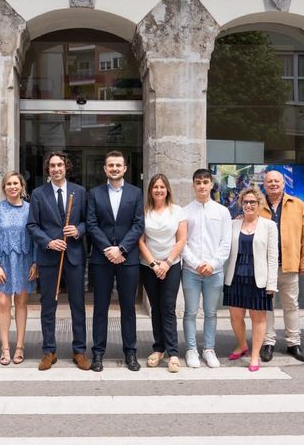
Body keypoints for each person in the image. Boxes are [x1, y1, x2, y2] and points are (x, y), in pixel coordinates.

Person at [27, 152, 89, 371]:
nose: (56, 169)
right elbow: (32, 225)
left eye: (59, 165)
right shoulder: (38, 194)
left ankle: (79, 351)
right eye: (52, 165)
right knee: (48, 305)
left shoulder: (79, 192)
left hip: (74, 256)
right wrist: (48, 242)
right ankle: (48, 351)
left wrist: (78, 230)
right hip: (49, 257)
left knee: (77, 305)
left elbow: (87, 221)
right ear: (48, 169)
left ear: (66, 167)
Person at [87, 151, 145, 372]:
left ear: (125, 168)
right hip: (102, 260)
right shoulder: (94, 193)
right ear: (104, 168)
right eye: (110, 165)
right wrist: (107, 249)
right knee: (100, 308)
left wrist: (121, 248)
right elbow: (91, 225)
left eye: (118, 165)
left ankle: (130, 353)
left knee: (128, 307)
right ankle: (98, 354)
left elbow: (139, 224)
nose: (114, 168)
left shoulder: (136, 193)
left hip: (127, 258)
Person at [0, 171, 38, 365]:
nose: (12, 187)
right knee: (3, 303)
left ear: (21, 186)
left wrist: (35, 263)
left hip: (24, 262)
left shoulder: (30, 209)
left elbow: (35, 239)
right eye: (9, 184)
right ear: (4, 187)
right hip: (3, 263)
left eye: (16, 183)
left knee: (22, 303)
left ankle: (20, 346)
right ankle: (5, 347)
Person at [258, 170, 304, 362]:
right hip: (264, 268)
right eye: (269, 181)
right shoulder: (257, 206)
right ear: (264, 184)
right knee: (266, 307)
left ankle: (293, 343)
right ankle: (268, 342)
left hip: (289, 266)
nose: (273, 184)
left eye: (276, 181)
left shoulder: (297, 205)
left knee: (291, 305)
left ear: (283, 184)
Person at [224, 187, 279, 372]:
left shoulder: (269, 226)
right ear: (241, 203)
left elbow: (273, 256)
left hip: (259, 278)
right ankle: (242, 346)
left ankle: (255, 355)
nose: (248, 205)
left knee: (258, 318)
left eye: (252, 202)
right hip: (236, 275)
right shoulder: (233, 224)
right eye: (245, 202)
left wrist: (272, 283)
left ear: (259, 204)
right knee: (235, 317)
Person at [181, 168, 231, 368]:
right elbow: (182, 242)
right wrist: (195, 263)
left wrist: (212, 264)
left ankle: (209, 349)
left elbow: (225, 243)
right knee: (190, 312)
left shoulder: (222, 211)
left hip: (214, 271)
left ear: (211, 184)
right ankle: (191, 349)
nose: (202, 186)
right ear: (193, 185)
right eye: (198, 182)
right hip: (191, 271)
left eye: (205, 182)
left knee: (211, 312)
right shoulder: (184, 212)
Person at [139, 174, 187, 373]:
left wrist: (166, 263)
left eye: (162, 187)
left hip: (171, 265)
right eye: (155, 187)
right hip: (149, 266)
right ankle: (158, 349)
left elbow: (181, 240)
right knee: (155, 307)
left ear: (167, 189)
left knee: (167, 307)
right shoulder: (144, 212)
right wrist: (153, 264)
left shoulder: (177, 211)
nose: (159, 190)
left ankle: (173, 353)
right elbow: (140, 241)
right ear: (150, 190)